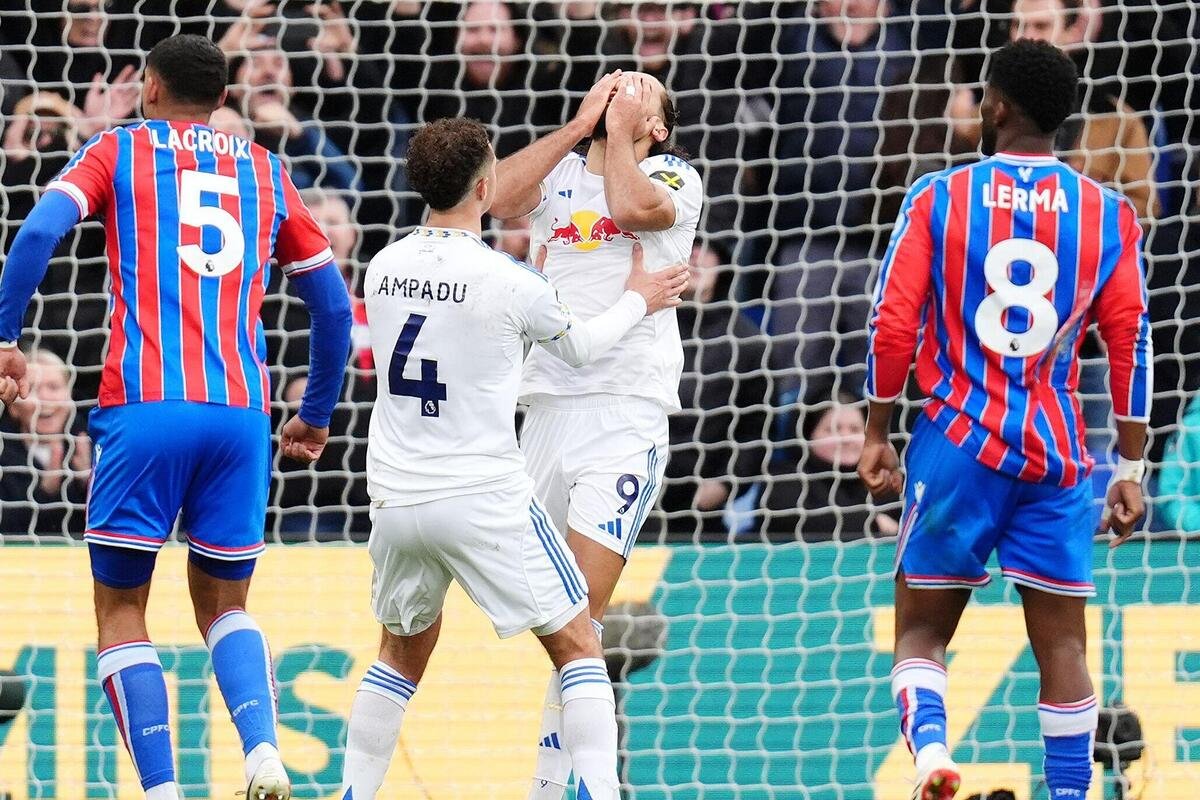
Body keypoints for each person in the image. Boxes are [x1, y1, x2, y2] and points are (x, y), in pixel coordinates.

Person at [0, 34, 352, 800]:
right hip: (241, 416)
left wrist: (5, 338)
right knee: (225, 605)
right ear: (223, 99)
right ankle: (263, 752)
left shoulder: (118, 148)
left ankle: (161, 789)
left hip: (146, 407)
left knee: (122, 606)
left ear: (149, 88)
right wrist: (316, 414)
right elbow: (331, 305)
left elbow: (37, 233)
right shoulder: (267, 170)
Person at [338, 117, 688, 800]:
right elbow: (581, 347)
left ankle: (354, 793)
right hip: (480, 494)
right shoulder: (508, 281)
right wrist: (637, 300)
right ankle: (599, 792)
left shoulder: (383, 269)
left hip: (397, 499)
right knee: (580, 644)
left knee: (397, 656)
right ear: (485, 187)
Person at [858, 39, 1151, 800]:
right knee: (1065, 647)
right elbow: (1131, 343)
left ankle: (931, 753)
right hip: (1057, 454)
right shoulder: (1109, 214)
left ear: (997, 107)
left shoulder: (939, 197)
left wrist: (878, 430)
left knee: (921, 628)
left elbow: (893, 323)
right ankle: (1070, 794)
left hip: (958, 439)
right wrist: (1130, 466)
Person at [488, 69, 703, 799]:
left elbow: (633, 208)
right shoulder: (559, 171)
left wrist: (614, 135)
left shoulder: (672, 175)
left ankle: (572, 789)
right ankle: (556, 785)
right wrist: (580, 129)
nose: (622, 87)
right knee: (556, 619)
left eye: (640, 89)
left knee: (583, 615)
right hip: (545, 408)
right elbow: (497, 197)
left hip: (624, 409)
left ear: (659, 127)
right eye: (613, 83)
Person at [0, 349, 91, 536]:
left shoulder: (95, 442)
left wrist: (88, 483)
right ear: (13, 407)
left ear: (70, 397)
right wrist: (46, 492)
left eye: (53, 387)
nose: (44, 399)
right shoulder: (3, 453)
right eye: (32, 388)